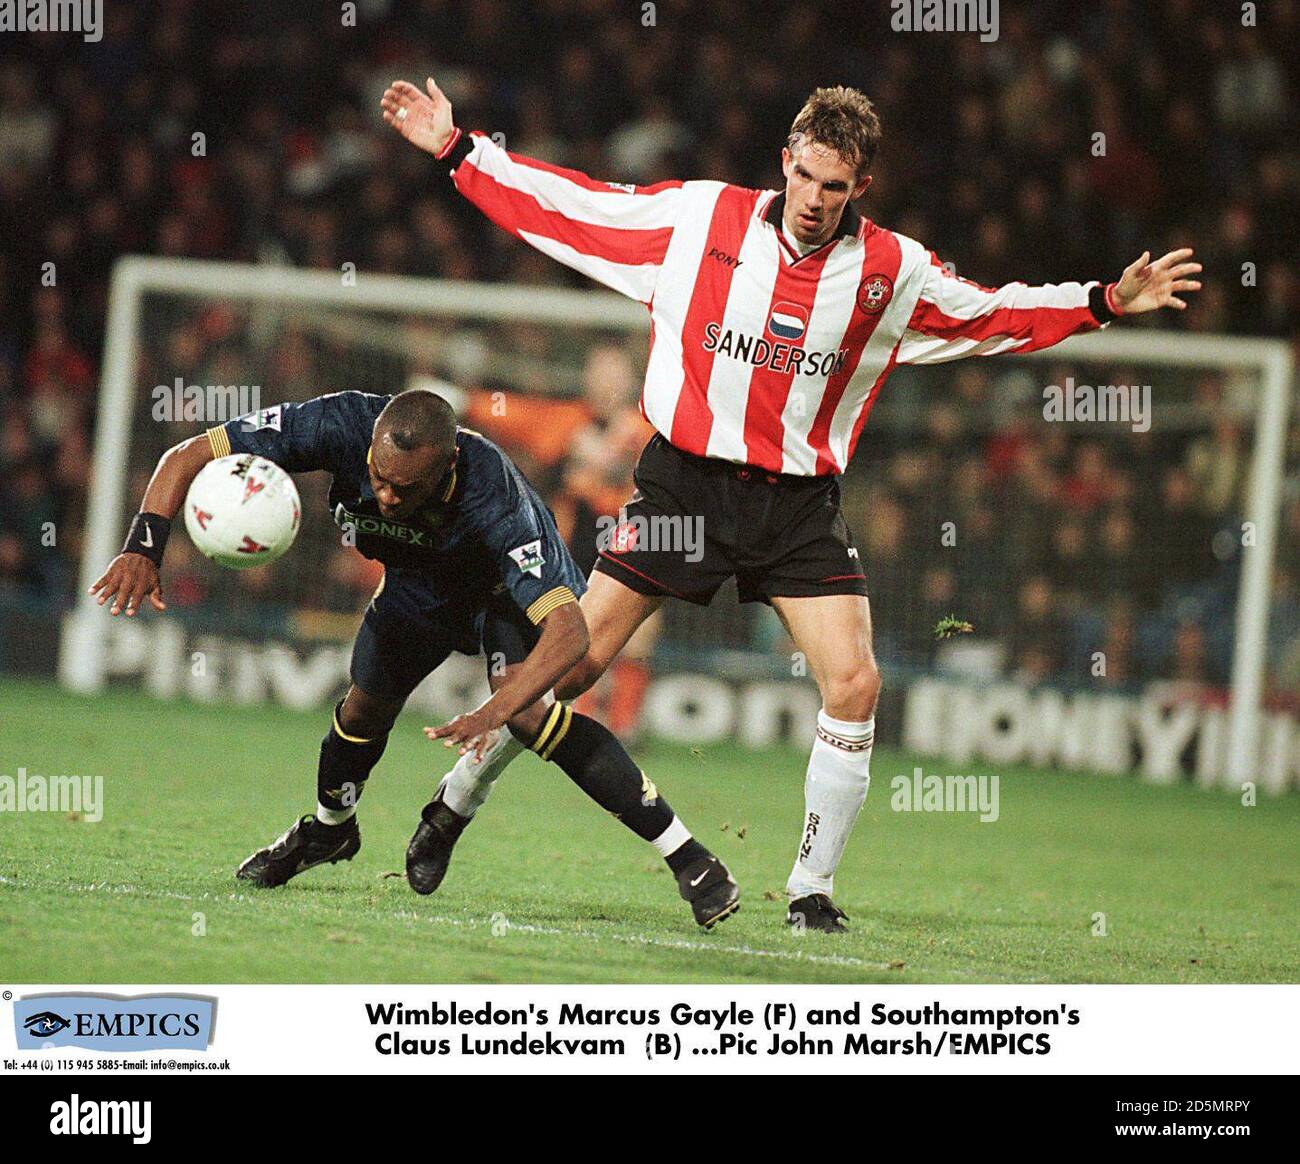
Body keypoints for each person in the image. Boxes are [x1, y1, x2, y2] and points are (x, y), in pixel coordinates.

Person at [381, 78, 1201, 932]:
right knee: (568, 669)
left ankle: (810, 889)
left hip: (798, 508)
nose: (813, 200)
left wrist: (1104, 302)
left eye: (834, 187)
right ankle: (455, 800)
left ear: (861, 190)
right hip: (684, 488)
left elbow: (989, 314)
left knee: (854, 683)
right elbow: (573, 206)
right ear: (785, 162)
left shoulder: (892, 271)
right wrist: (457, 149)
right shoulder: (700, 221)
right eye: (804, 177)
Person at [87, 389, 740, 930]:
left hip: (500, 597)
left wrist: (496, 708)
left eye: (405, 488)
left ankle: (689, 859)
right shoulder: (336, 423)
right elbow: (186, 455)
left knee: (534, 715)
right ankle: (329, 831)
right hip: (415, 589)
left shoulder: (496, 496)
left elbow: (570, 634)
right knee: (363, 707)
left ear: (447, 466)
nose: (387, 496)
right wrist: (143, 545)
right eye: (377, 480)